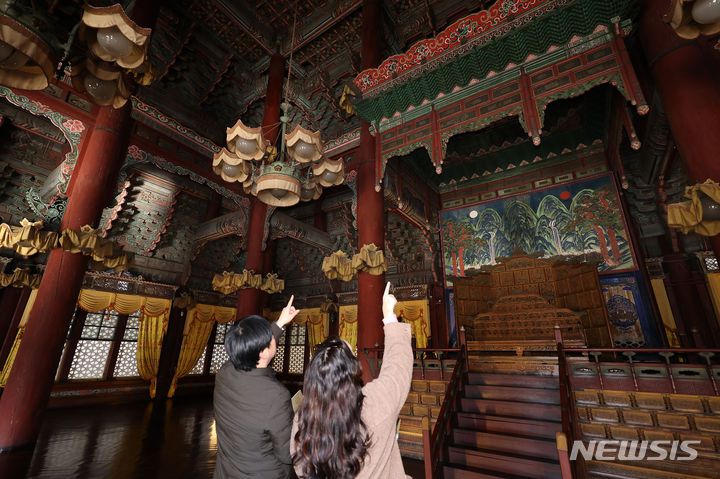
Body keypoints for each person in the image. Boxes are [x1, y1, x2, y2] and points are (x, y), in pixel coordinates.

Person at [291, 282, 413, 479]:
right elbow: (398, 366)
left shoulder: (304, 419)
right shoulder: (375, 403)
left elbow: (300, 466)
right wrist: (389, 316)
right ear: (353, 370)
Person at [213, 295, 300, 479]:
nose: (272, 337)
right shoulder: (275, 395)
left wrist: (281, 322)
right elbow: (288, 453)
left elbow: (253, 349)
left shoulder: (225, 372)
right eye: (268, 336)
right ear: (263, 351)